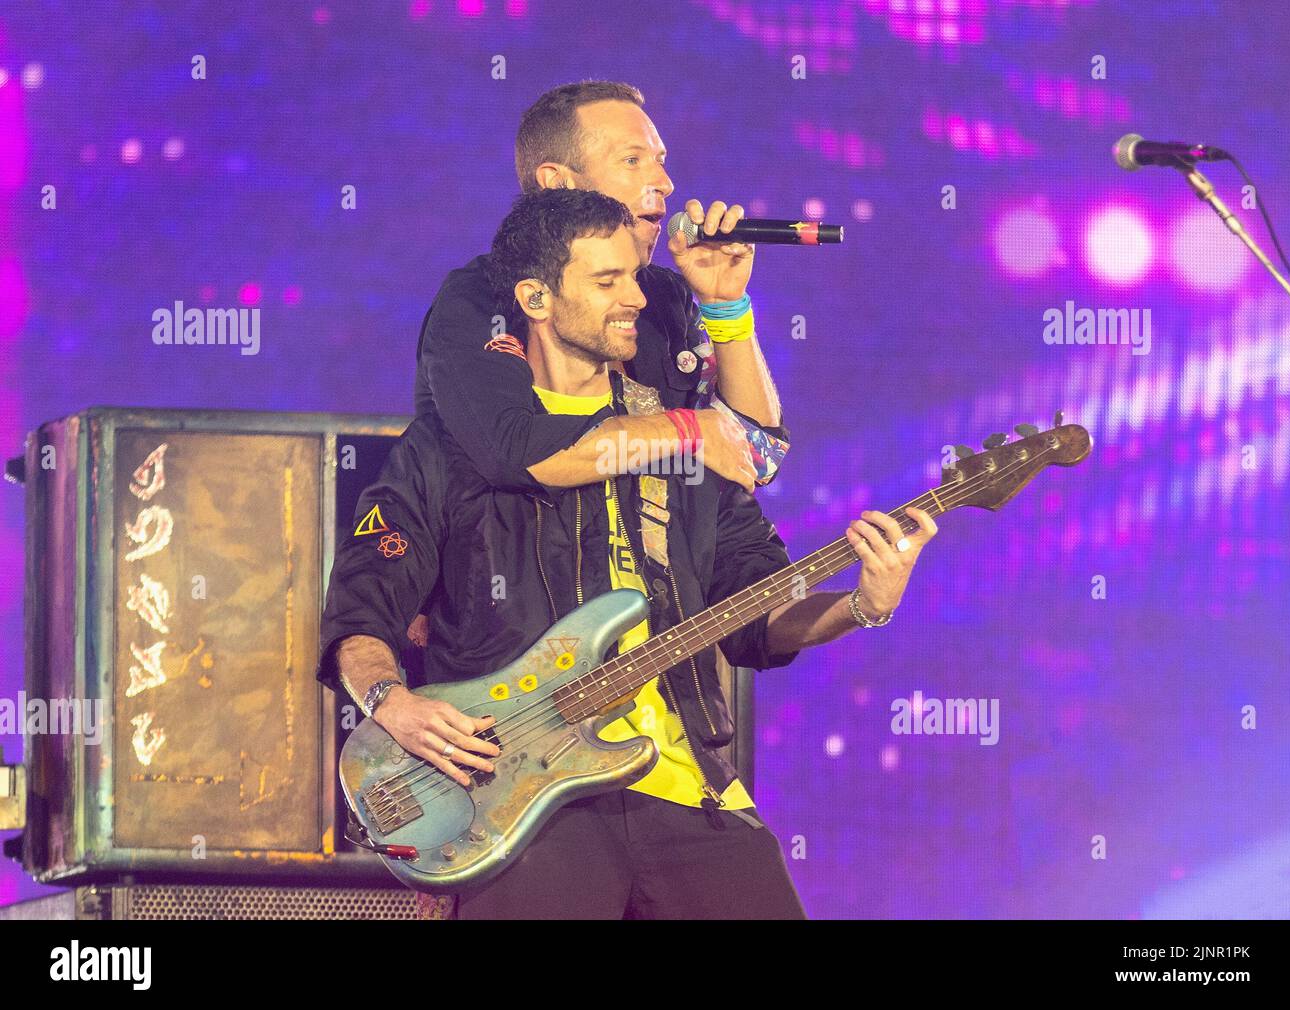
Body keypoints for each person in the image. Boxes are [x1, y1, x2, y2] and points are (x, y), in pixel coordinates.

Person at [318, 189, 938, 919]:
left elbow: (757, 614)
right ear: (536, 298)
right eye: (606, 282)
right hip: (526, 804)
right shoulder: (452, 449)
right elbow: (362, 609)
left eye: (634, 277)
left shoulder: (683, 434)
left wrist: (865, 605)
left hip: (686, 786)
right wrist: (393, 704)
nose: (635, 299)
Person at [413, 79, 789, 498]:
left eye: (661, 161)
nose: (665, 183)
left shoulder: (663, 300)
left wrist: (725, 304)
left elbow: (757, 458)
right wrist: (687, 430)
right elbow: (510, 450)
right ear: (556, 183)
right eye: (632, 160)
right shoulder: (481, 296)